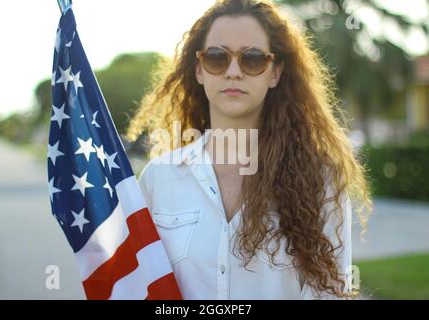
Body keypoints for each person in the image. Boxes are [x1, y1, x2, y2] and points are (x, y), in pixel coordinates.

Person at [128, 0, 372, 299]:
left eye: (252, 58)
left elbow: (329, 293)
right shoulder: (158, 179)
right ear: (199, 70)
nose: (233, 71)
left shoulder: (321, 179)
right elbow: (139, 285)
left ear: (275, 73)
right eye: (217, 58)